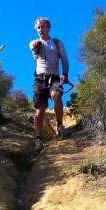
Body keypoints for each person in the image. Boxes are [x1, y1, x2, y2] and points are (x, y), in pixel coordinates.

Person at [29, 17, 69, 151]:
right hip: (40, 79)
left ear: (48, 28)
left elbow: (64, 59)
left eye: (43, 26)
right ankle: (38, 139)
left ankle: (60, 126)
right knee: (39, 109)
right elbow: (35, 52)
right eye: (38, 27)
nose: (41, 29)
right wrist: (35, 49)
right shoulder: (34, 43)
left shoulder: (57, 43)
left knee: (56, 96)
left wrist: (65, 73)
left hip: (55, 78)